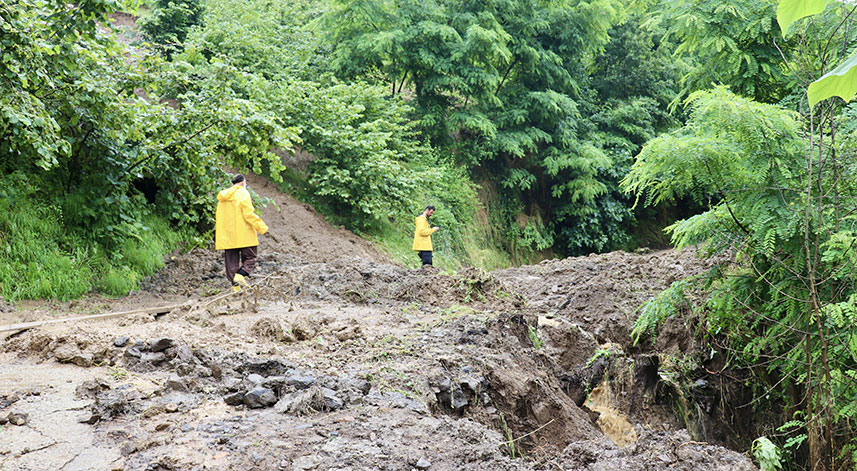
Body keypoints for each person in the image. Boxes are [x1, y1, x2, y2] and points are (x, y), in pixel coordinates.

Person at [215, 174, 268, 292]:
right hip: (244, 234)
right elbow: (248, 214)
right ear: (243, 182)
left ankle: (236, 288)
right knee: (250, 257)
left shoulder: (223, 197)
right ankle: (240, 275)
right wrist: (261, 227)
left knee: (231, 261)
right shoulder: (243, 193)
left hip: (228, 235)